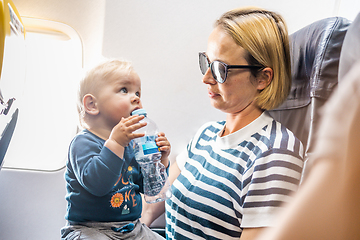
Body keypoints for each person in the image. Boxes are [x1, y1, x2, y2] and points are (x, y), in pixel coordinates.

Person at [141, 7, 304, 240]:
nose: (206, 78)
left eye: (220, 69)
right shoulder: (206, 134)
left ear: (262, 78)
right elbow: (155, 204)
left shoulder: (275, 152)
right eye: (206, 62)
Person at [60, 59, 170, 240]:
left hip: (133, 228)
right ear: (92, 105)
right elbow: (98, 185)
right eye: (124, 90)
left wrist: (160, 160)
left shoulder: (132, 144)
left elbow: (148, 189)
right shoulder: (81, 143)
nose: (136, 98)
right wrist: (116, 143)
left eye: (138, 92)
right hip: (90, 229)